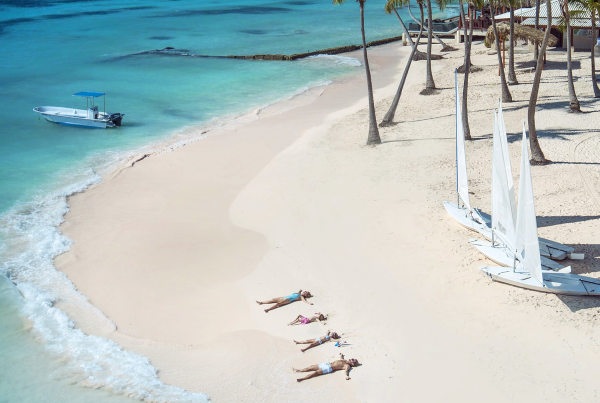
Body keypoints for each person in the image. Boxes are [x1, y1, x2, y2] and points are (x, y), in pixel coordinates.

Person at [293, 353, 359, 382]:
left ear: (352, 363)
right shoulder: (345, 360)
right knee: (311, 367)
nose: (351, 359)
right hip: (326, 364)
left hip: (329, 368)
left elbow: (346, 371)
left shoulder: (347, 366)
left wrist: (347, 376)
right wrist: (341, 355)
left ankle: (302, 379)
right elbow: (341, 358)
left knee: (315, 373)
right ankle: (298, 370)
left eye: (352, 360)